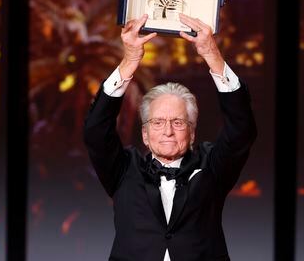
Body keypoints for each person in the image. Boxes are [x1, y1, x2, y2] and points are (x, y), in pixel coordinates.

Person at [83, 13, 257, 261]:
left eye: (177, 122)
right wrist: (130, 60)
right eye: (157, 122)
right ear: (144, 134)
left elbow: (242, 130)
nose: (167, 131)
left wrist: (212, 55)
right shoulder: (124, 170)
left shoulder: (212, 168)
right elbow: (95, 131)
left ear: (193, 132)